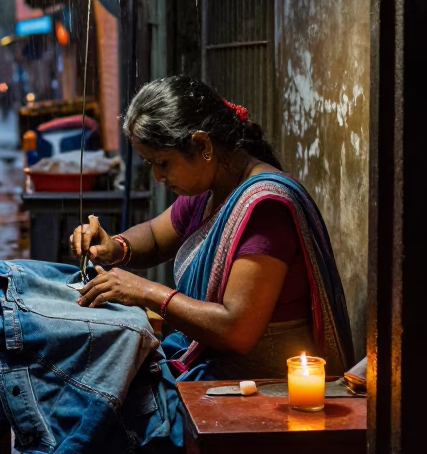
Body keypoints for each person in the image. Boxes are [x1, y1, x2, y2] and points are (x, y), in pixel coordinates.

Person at [70, 75, 354, 380]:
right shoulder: (210, 187)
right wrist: (114, 247)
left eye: (163, 163)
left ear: (203, 145)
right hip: (214, 364)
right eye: (149, 163)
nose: (157, 177)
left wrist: (145, 291)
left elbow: (236, 330)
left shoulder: (265, 209)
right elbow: (155, 237)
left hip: (257, 384)